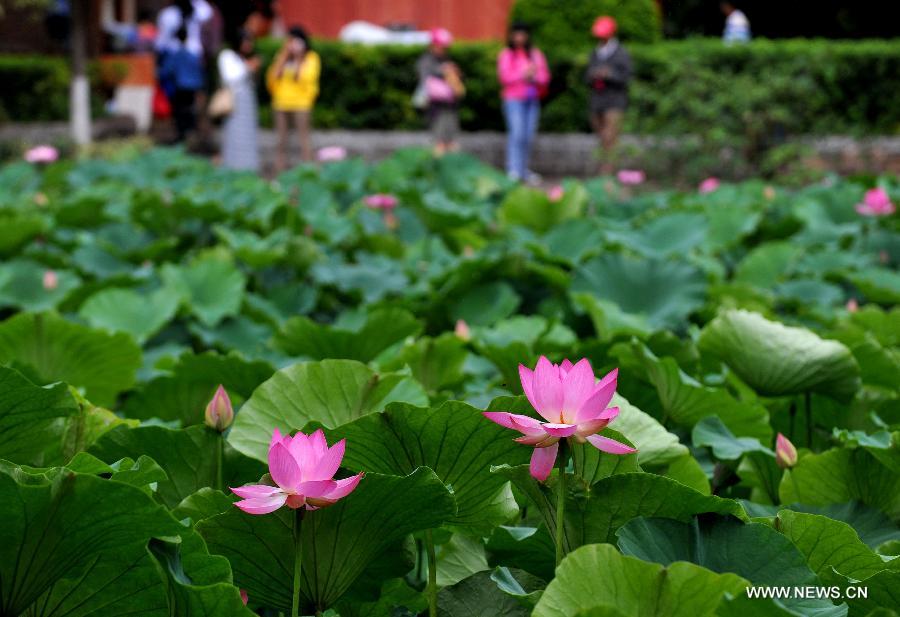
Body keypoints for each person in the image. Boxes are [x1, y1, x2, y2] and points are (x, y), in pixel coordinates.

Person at [497, 22, 549, 184]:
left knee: (528, 136)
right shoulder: (507, 55)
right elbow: (504, 78)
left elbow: (545, 77)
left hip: (531, 99)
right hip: (514, 99)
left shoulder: (535, 54)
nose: (519, 38)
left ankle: (523, 169)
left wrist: (533, 76)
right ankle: (513, 169)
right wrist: (522, 74)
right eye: (516, 34)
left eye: (522, 34)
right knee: (517, 134)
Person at [266, 26, 321, 169]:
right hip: (281, 103)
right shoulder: (282, 56)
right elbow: (272, 78)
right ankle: (279, 174)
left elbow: (305, 78)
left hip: (301, 104)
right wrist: (284, 57)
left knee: (304, 140)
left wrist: (298, 58)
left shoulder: (311, 58)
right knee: (280, 141)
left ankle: (308, 172)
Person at [585, 16, 632, 173]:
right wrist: (594, 75)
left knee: (610, 137)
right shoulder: (595, 53)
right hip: (597, 101)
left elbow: (627, 77)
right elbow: (586, 76)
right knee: (601, 137)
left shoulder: (621, 53)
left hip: (615, 101)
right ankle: (605, 170)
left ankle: (607, 173)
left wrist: (610, 75)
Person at [416, 27, 464, 155]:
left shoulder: (447, 60)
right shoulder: (426, 60)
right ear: (433, 45)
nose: (442, 49)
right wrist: (444, 71)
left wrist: (455, 72)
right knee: (438, 141)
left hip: (450, 105)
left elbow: (458, 79)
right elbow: (425, 79)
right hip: (435, 107)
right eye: (440, 46)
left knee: (452, 141)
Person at [217, 29, 261, 171]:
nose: (248, 45)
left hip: (247, 101)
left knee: (248, 135)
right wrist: (248, 67)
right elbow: (229, 78)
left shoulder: (244, 59)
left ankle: (248, 166)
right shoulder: (227, 56)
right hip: (234, 101)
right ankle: (232, 165)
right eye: (246, 41)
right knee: (234, 134)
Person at [161, 26, 205, 142]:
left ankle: (182, 133)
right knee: (190, 109)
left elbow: (166, 71)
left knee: (180, 110)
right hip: (192, 86)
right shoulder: (192, 55)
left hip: (181, 86)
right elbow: (199, 70)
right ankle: (190, 132)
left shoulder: (176, 55)